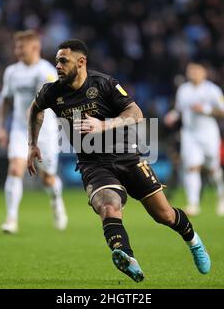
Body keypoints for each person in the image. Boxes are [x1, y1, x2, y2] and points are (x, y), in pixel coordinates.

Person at [27, 39, 211, 282]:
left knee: (164, 215)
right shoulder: (52, 91)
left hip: (127, 157)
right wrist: (32, 144)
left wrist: (103, 125)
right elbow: (35, 109)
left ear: (81, 62)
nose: (58, 66)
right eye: (57, 61)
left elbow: (136, 113)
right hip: (93, 164)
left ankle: (194, 241)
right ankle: (126, 256)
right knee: (108, 206)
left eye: (63, 61)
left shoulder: (103, 84)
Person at [0, 30, 67, 234]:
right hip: (20, 129)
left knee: (48, 178)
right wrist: (1, 127)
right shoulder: (11, 72)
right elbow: (6, 101)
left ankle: (56, 201)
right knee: (15, 169)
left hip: (45, 131)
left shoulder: (46, 72)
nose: (17, 51)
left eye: (21, 47)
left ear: (35, 48)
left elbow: (40, 105)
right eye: (16, 47)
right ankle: (11, 219)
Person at [164, 61, 224, 217]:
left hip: (208, 134)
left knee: (213, 169)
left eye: (195, 70)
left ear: (203, 72)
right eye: (190, 70)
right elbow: (179, 110)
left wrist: (206, 109)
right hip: (189, 134)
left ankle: (222, 197)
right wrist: (172, 116)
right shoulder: (183, 90)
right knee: (192, 167)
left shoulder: (212, 90)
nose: (192, 73)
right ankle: (193, 204)